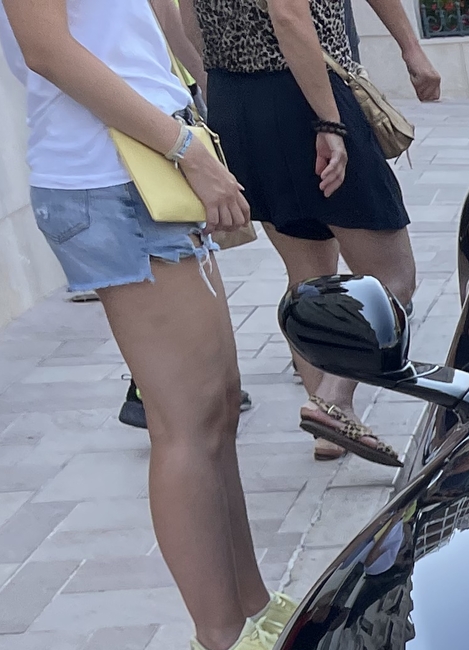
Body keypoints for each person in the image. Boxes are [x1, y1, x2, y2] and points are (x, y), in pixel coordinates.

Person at [0, 0, 292, 650]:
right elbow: (47, 49)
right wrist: (184, 148)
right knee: (185, 422)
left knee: (216, 409)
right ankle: (219, 642)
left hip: (142, 162)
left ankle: (249, 610)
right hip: (113, 176)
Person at [190, 0, 436, 467]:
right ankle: (334, 401)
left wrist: (221, 92)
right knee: (393, 277)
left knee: (307, 278)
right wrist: (329, 121)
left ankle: (328, 428)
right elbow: (288, 16)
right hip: (305, 91)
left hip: (233, 99)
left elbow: (183, 21)